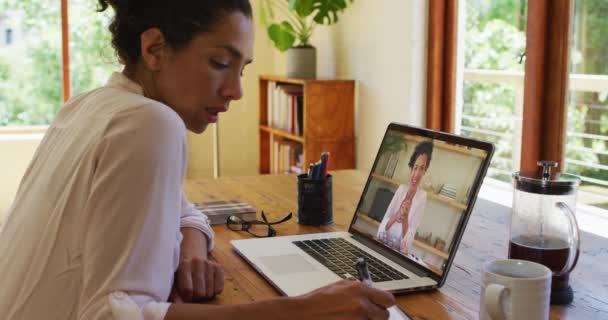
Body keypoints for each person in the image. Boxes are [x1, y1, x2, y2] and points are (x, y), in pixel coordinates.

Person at [0, 1, 395, 319]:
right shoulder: (150, 123)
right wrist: (305, 309)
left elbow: (182, 208)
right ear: (155, 49)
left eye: (242, 69)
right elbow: (111, 315)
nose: (236, 91)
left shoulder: (90, 106)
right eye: (221, 63)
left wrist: (190, 251)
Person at [376, 141, 433, 254]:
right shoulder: (401, 189)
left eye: (422, 168)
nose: (417, 174)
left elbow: (405, 247)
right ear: (410, 168)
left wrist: (405, 218)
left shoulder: (422, 197)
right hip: (381, 249)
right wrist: (397, 215)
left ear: (425, 171)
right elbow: (381, 231)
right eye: (415, 167)